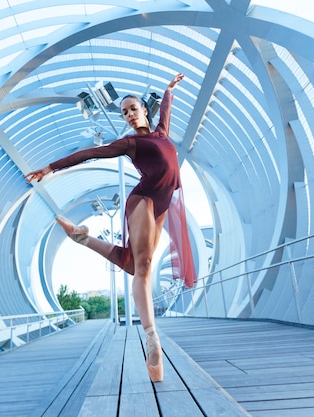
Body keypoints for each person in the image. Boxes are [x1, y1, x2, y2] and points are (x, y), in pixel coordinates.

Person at [25, 73, 196, 382]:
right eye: (124, 112)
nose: (129, 115)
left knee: (132, 265)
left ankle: (81, 238)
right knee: (142, 268)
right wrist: (52, 167)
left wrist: (169, 90)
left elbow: (167, 110)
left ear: (145, 109)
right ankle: (151, 336)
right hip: (142, 199)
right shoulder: (130, 143)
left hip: (160, 206)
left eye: (133, 109)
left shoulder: (161, 133)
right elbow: (89, 153)